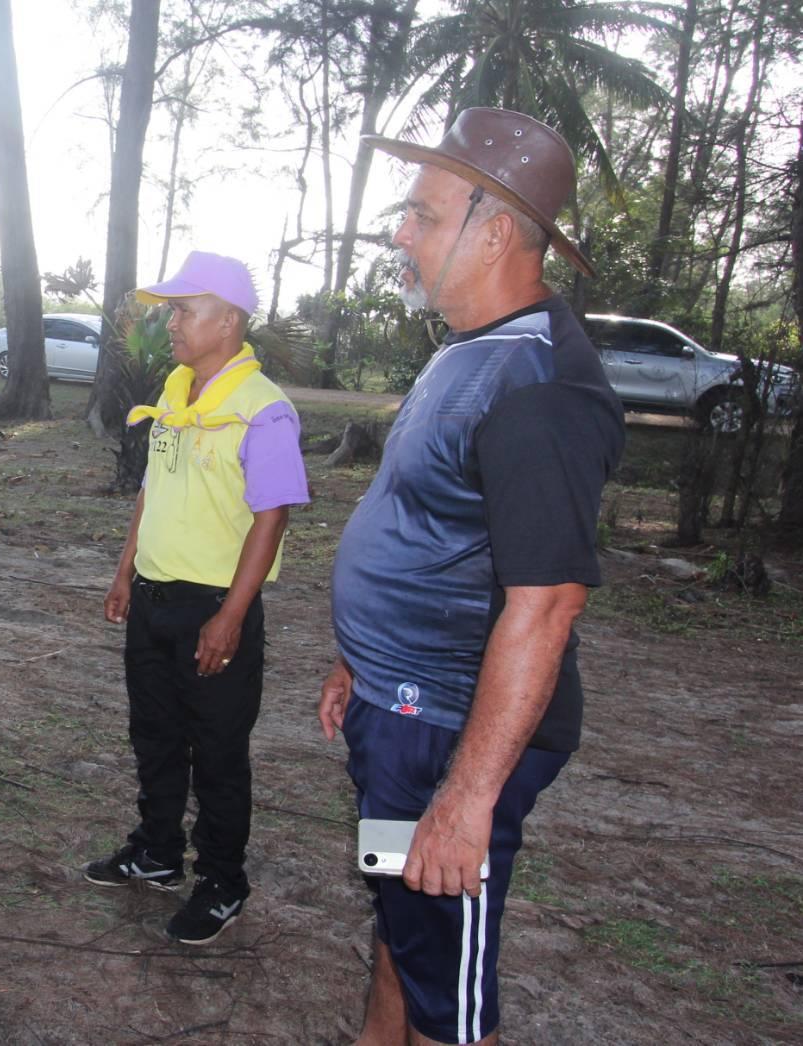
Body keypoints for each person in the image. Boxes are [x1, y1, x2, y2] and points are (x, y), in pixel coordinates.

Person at [318, 109, 625, 1045]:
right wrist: (360, 658)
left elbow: (547, 605)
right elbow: (431, 524)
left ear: (491, 233)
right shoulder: (471, 347)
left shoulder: (537, 389)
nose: (398, 234)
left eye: (420, 214)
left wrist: (465, 797)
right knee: (404, 920)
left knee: (448, 992)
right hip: (402, 702)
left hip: (448, 729)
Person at [86, 251, 311, 945]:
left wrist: (231, 616)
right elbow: (152, 490)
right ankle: (156, 851)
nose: (173, 323)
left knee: (216, 750)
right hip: (153, 597)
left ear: (229, 320)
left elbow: (272, 516)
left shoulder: (263, 409)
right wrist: (125, 572)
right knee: (153, 734)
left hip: (213, 607)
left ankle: (221, 881)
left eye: (185, 310)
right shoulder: (176, 394)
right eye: (173, 310)